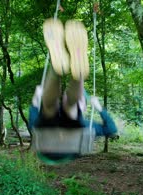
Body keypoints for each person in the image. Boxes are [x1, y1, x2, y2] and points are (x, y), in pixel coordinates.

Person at [28, 18, 117, 163]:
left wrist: (99, 107)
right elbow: (111, 130)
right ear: (84, 106)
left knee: (54, 107)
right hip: (61, 142)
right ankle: (61, 70)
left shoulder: (86, 123)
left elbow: (111, 129)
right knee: (59, 107)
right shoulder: (85, 123)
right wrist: (36, 100)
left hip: (51, 140)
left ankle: (67, 72)